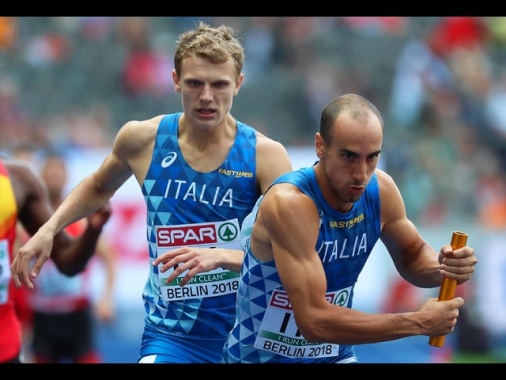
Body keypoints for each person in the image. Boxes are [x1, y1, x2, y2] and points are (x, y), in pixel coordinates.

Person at [11, 21, 293, 363]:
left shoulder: (265, 156)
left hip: (244, 336)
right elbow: (99, 185)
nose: (206, 96)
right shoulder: (143, 140)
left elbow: (296, 251)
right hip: (171, 336)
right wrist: (49, 229)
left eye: (219, 84)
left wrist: (222, 257)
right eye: (194, 83)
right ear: (175, 81)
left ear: (238, 84)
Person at [221, 93, 478, 363]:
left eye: (372, 158)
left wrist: (445, 267)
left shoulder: (381, 190)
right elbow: (314, 322)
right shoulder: (290, 203)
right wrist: (417, 322)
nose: (361, 173)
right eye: (349, 156)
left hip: (334, 356)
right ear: (320, 146)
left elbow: (412, 256)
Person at [0, 156, 111, 363]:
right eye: (50, 172)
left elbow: (68, 260)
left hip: (9, 343)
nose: (54, 177)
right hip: (43, 314)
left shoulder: (18, 181)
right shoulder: (23, 224)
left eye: (58, 172)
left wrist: (93, 230)